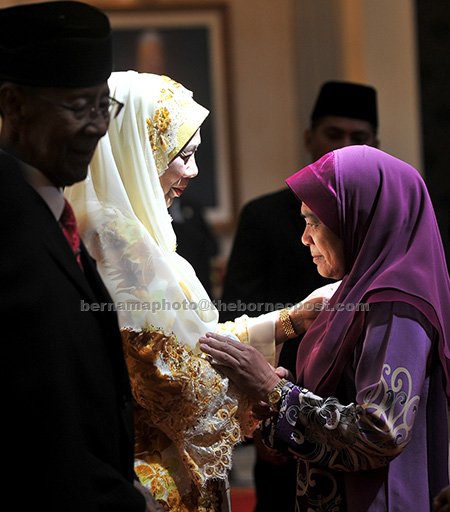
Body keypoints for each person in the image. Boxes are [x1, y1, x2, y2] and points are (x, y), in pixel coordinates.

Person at [66, 70, 336, 511]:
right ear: (139, 150)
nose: (192, 171)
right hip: (151, 477)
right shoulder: (114, 236)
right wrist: (266, 389)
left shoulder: (134, 229)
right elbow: (175, 375)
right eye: (182, 155)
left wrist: (290, 320)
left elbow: (191, 342)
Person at [200, 145, 450, 511]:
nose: (305, 238)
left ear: (361, 218)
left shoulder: (397, 303)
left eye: (315, 221)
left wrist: (276, 390)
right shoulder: (350, 292)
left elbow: (380, 432)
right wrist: (275, 396)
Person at [0, 2, 161, 510]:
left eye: (103, 106)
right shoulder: (8, 221)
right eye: (77, 107)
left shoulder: (47, 215)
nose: (96, 126)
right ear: (15, 104)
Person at [221, 80, 379, 510]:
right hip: (280, 413)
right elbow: (240, 308)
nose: (310, 239)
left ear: (376, 146)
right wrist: (267, 408)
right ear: (310, 137)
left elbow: (383, 426)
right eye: (333, 134)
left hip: (355, 424)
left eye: (358, 138)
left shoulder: (383, 242)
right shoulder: (266, 215)